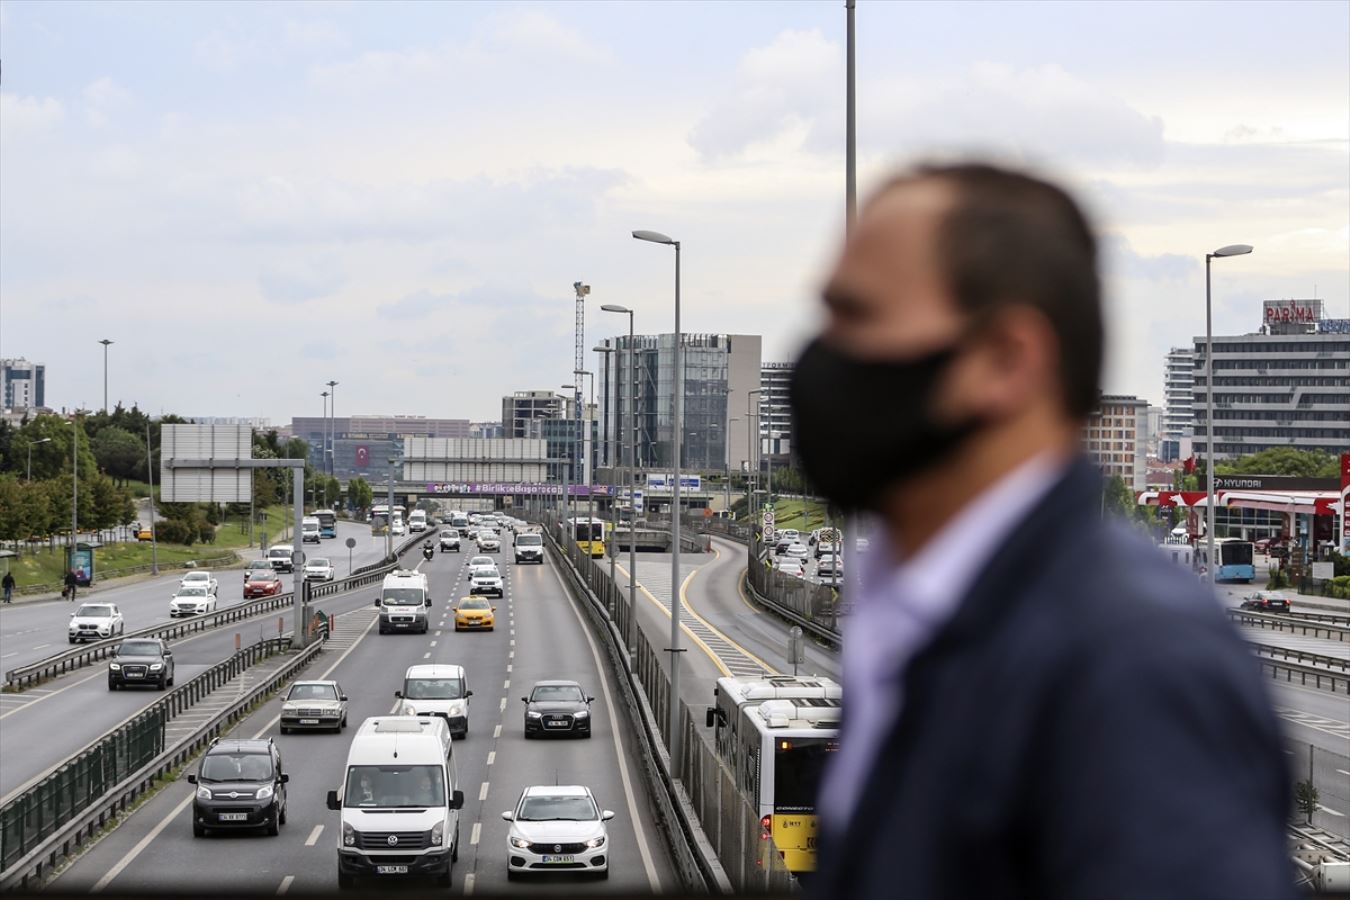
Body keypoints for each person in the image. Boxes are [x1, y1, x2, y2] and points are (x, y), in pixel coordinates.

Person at [794, 163, 1294, 899]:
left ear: (1006, 359)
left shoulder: (1133, 664)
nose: (820, 359)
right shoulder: (929, 621)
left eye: (856, 317)